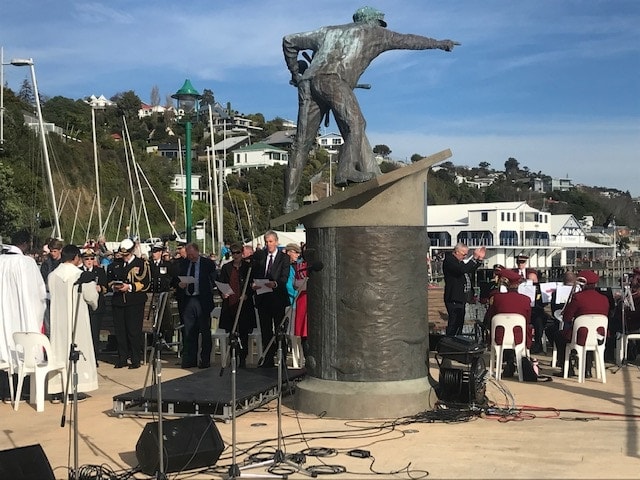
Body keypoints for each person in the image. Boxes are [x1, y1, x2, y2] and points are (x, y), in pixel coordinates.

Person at [282, 6, 459, 212]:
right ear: (374, 22)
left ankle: (288, 202)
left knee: (301, 145)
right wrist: (439, 44)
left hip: (309, 84)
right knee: (357, 123)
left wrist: (295, 73)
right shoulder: (374, 32)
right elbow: (409, 40)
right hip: (333, 81)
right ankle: (346, 171)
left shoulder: (328, 31)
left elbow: (289, 41)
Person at [47, 244, 99, 403]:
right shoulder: (80, 275)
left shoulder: (53, 275)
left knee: (59, 351)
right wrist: (94, 304)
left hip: (58, 320)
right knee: (77, 348)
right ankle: (73, 389)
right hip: (76, 318)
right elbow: (91, 297)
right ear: (76, 258)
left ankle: (57, 389)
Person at [0, 229, 47, 402]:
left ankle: (4, 391)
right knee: (21, 349)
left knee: (4, 346)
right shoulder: (26, 263)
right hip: (22, 314)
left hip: (3, 314)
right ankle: (24, 390)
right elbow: (39, 293)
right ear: (26, 244)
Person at [548, 270, 609, 378]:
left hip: (581, 335)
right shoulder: (604, 299)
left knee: (558, 335)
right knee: (590, 334)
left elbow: (566, 318)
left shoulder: (578, 297)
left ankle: (567, 368)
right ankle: (587, 369)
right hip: (599, 336)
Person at [107, 238, 151, 369]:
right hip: (119, 300)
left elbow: (146, 283)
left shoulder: (141, 264)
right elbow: (109, 281)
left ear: (132, 252)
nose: (124, 258)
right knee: (120, 331)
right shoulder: (116, 264)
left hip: (134, 301)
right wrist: (114, 287)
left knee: (133, 331)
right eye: (123, 255)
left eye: (127, 255)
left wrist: (130, 287)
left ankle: (135, 359)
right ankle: (122, 358)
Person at [173, 242, 217, 369]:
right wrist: (179, 284)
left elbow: (214, 279)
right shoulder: (184, 263)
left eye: (192, 254)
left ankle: (205, 359)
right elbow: (175, 279)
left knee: (204, 331)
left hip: (202, 300)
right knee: (188, 331)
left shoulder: (207, 263)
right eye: (189, 255)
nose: (191, 257)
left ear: (197, 251)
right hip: (187, 300)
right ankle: (190, 359)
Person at [251, 231, 291, 367]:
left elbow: (284, 277)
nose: (269, 244)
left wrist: (275, 283)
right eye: (266, 242)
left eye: (271, 241)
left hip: (277, 298)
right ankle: (268, 358)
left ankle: (283, 359)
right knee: (265, 330)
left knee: (280, 330)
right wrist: (254, 285)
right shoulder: (260, 257)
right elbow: (255, 274)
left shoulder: (284, 258)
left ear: (276, 242)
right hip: (263, 298)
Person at [484, 268, 532, 377]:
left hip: (499, 337)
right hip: (520, 337)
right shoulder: (526, 299)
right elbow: (528, 320)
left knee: (501, 330)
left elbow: (490, 317)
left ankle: (509, 362)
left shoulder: (497, 298)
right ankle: (517, 362)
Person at [218, 242, 256, 368]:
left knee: (243, 332)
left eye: (238, 253)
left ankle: (242, 358)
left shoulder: (248, 267)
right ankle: (232, 356)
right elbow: (221, 283)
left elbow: (252, 285)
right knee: (231, 332)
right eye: (233, 253)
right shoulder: (226, 267)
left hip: (243, 304)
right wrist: (223, 294)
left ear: (242, 252)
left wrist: (247, 295)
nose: (235, 256)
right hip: (230, 303)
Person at [443, 243, 486, 336]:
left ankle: (458, 339)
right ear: (457, 252)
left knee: (459, 322)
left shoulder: (459, 262)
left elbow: (469, 269)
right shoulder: (450, 260)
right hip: (453, 297)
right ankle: (451, 340)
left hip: (461, 298)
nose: (465, 256)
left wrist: (479, 260)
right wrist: (474, 258)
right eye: (464, 254)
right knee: (454, 322)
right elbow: (462, 270)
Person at [80, 248, 108, 366]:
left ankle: (94, 358)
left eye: (92, 258)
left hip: (96, 308)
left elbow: (106, 286)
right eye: (87, 259)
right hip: (83, 307)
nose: (89, 261)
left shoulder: (99, 271)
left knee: (94, 334)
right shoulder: (78, 271)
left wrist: (100, 288)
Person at [285, 243, 309, 363]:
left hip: (311, 302)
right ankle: (306, 360)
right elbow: (294, 285)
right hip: (301, 302)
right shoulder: (299, 266)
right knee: (304, 335)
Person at [40, 238, 63, 336]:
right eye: (52, 251)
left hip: (61, 297)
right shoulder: (46, 264)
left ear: (60, 250)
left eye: (55, 251)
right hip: (49, 297)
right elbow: (42, 279)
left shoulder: (64, 263)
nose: (53, 253)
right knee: (49, 327)